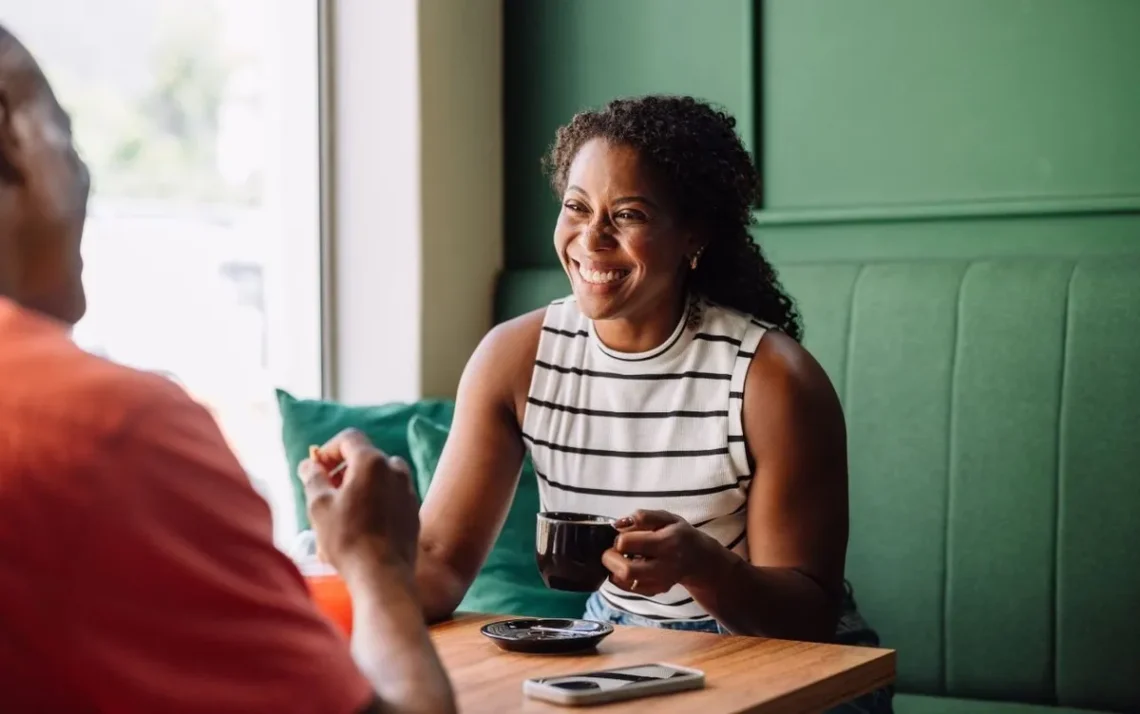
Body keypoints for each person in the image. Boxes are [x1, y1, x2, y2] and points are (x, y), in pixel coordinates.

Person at [0, 25, 454, 714]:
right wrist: (377, 565)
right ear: (12, 136)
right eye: (65, 134)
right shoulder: (106, 428)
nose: (86, 173)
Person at [414, 96, 891, 712]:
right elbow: (435, 562)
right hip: (619, 639)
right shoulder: (515, 358)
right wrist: (355, 557)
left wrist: (703, 565)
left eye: (629, 214)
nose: (592, 239)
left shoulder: (771, 379)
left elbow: (808, 620)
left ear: (693, 234)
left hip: (788, 663)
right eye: (576, 208)